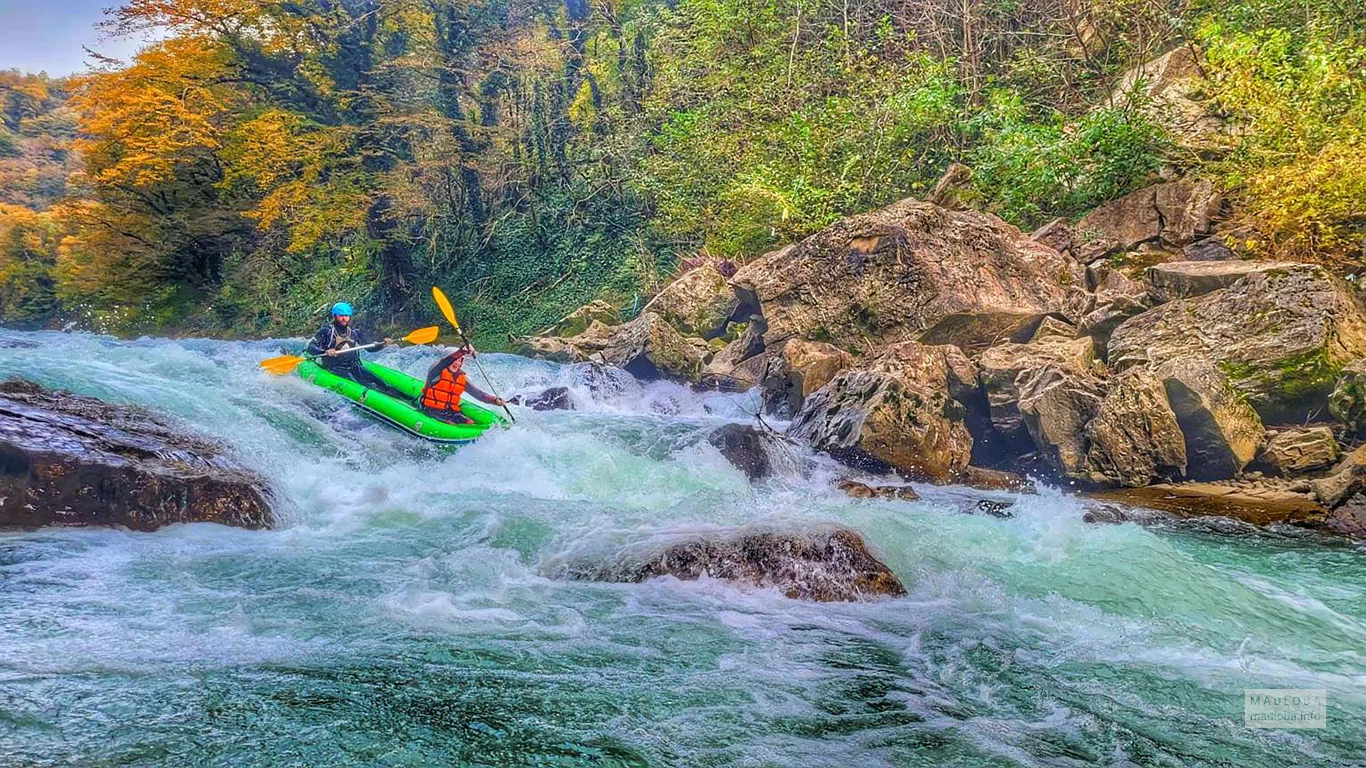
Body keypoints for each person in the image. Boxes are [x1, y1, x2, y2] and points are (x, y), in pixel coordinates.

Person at [306, 302, 404, 398]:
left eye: (346, 316)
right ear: (335, 316)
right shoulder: (326, 332)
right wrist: (325, 352)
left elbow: (370, 348)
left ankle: (405, 398)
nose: (344, 318)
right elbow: (311, 347)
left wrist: (383, 344)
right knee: (361, 386)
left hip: (354, 366)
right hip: (335, 369)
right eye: (341, 316)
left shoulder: (354, 332)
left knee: (381, 384)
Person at [418, 345, 505, 424]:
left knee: (469, 422)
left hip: (450, 410)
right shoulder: (435, 371)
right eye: (455, 360)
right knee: (451, 424)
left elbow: (478, 394)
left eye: (460, 360)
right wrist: (463, 351)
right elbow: (445, 362)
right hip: (431, 409)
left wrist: (494, 400)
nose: (457, 363)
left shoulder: (461, 378)